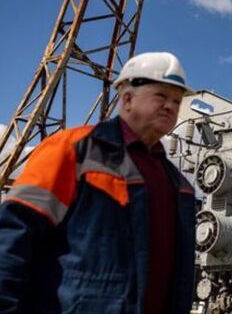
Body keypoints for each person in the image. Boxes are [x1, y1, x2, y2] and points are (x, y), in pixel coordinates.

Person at [0, 52, 197, 313]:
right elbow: (14, 235)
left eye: (176, 100)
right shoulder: (72, 150)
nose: (170, 106)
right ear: (127, 98)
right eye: (161, 96)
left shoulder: (179, 185)